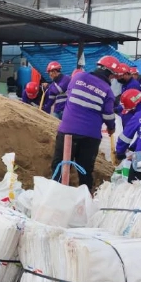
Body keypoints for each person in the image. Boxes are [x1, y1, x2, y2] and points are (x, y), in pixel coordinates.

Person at [49, 55, 120, 188]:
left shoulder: (77, 77)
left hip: (67, 130)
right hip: (90, 136)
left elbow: (70, 94)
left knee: (60, 167)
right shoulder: (107, 91)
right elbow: (108, 115)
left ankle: (56, 193)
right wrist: (111, 128)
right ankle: (85, 196)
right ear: (110, 74)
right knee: (85, 171)